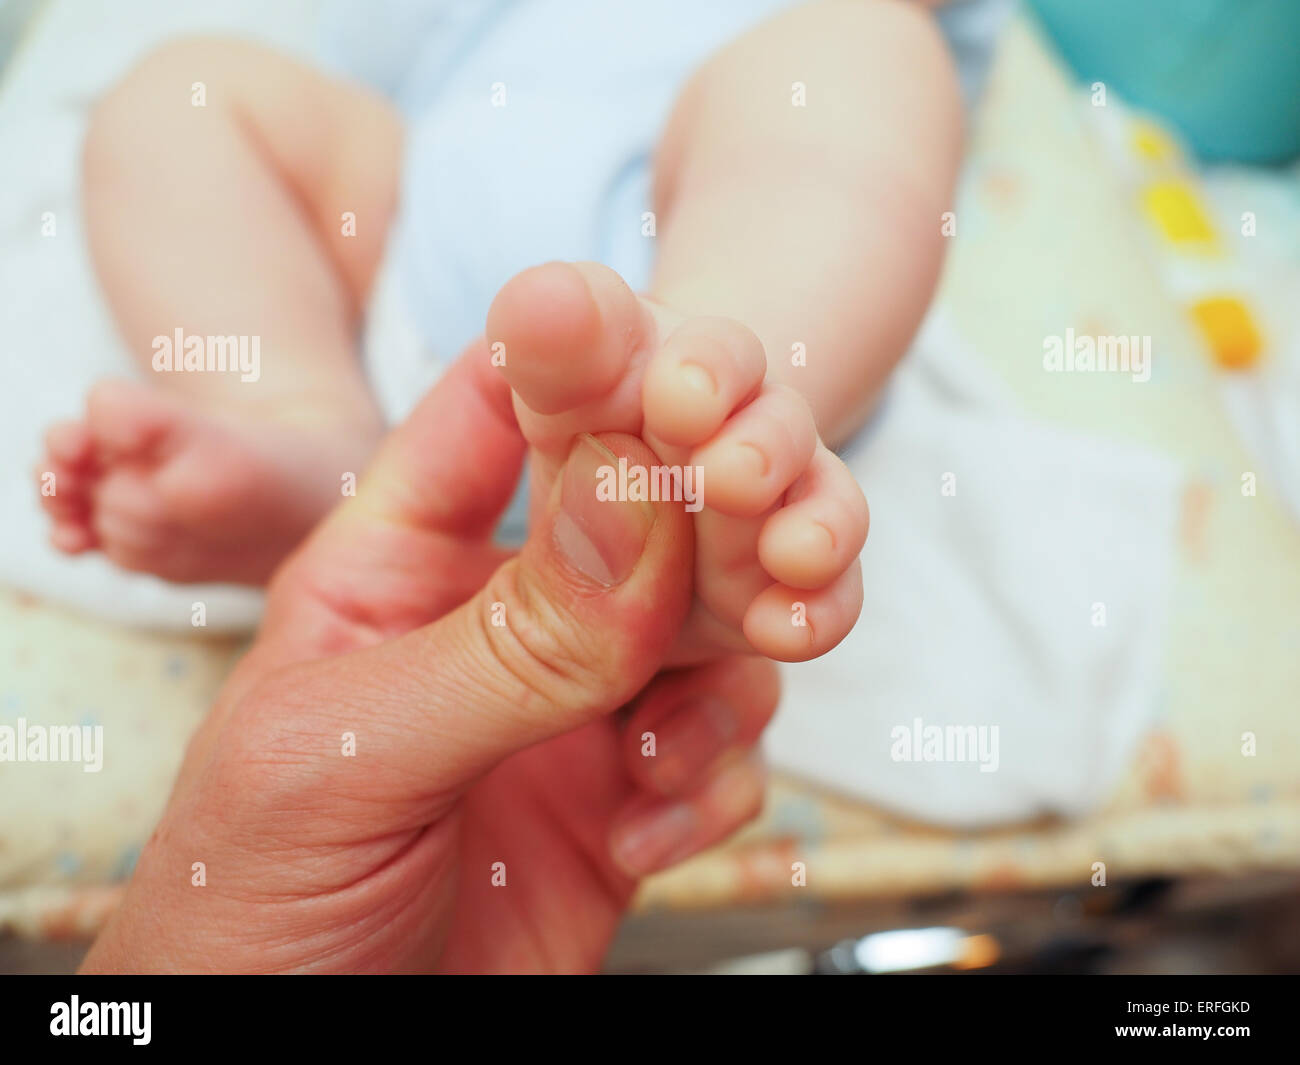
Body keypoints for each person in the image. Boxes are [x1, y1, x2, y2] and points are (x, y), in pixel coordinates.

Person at [36, 0, 975, 663]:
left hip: (713, 250)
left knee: (869, 54)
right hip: (414, 235)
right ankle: (318, 441)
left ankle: (703, 396)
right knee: (186, 90)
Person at [82, 350, 782, 973]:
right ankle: (310, 437)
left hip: (556, 356)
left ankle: (695, 354)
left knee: (800, 229)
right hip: (429, 359)